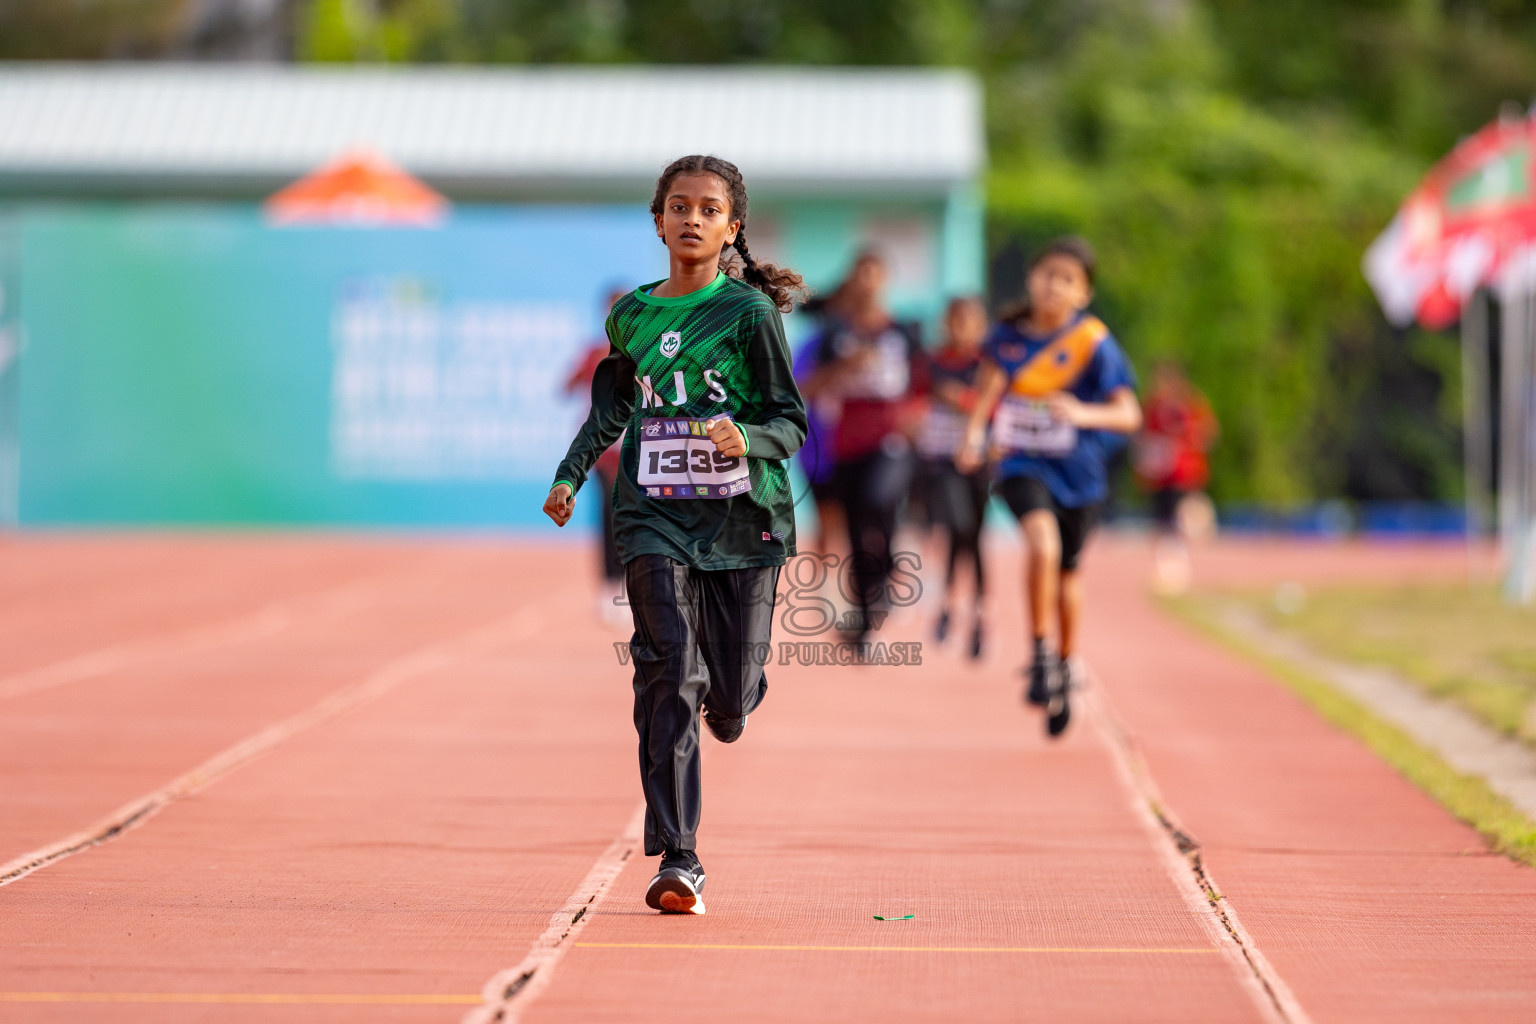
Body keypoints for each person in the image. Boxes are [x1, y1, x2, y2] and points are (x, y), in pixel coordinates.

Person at [543, 155, 807, 916]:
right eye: (678, 206)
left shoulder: (749, 316)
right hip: (652, 515)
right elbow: (609, 411)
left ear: (732, 228)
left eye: (709, 208)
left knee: (724, 696)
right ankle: (679, 855)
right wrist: (569, 475)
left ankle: (736, 701)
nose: (692, 218)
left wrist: (745, 440)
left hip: (742, 523)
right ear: (658, 220)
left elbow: (790, 421)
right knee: (669, 671)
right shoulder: (629, 316)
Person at [958, 237, 1141, 737]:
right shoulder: (1007, 338)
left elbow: (1129, 414)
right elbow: (987, 394)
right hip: (1022, 466)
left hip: (1080, 474)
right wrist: (974, 437)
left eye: (1067, 279)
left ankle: (1064, 661)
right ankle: (1039, 652)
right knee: (1043, 544)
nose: (1053, 286)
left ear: (1083, 293)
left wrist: (1081, 412)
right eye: (1046, 274)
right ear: (1031, 279)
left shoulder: (1094, 343)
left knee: (1068, 574)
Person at [800, 250, 927, 642]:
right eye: (860, 274)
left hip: (890, 438)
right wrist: (847, 368)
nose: (868, 282)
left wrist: (916, 417)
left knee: (879, 500)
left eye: (875, 273)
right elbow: (808, 387)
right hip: (845, 442)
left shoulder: (904, 332)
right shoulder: (836, 335)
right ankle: (866, 614)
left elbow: (926, 385)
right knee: (854, 531)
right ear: (852, 280)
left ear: (885, 279)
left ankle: (888, 569)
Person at [916, 295, 992, 659]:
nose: (961, 328)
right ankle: (950, 607)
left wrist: (962, 400)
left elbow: (995, 404)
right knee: (958, 526)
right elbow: (914, 398)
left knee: (973, 536)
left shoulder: (988, 365)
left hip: (979, 460)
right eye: (955, 320)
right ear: (946, 323)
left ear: (981, 326)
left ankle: (976, 614)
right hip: (943, 460)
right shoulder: (932, 363)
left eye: (969, 321)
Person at [563, 286, 632, 625]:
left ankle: (635, 588)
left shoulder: (645, 352)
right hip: (603, 453)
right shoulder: (593, 353)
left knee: (637, 520)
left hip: (638, 453)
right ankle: (609, 589)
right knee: (610, 516)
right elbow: (566, 386)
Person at [1134, 360, 1219, 595]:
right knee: (1162, 522)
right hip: (1160, 476)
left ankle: (1178, 567)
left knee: (1181, 522)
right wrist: (1147, 461)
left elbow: (1209, 432)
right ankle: (1168, 570)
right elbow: (1142, 438)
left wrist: (1186, 443)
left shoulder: (1190, 404)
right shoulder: (1153, 406)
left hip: (1185, 474)